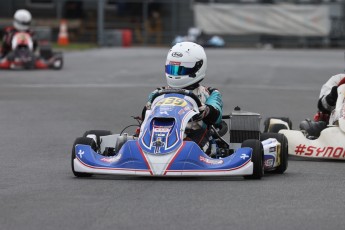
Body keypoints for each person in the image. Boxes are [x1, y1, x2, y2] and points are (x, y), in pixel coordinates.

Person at [143, 42, 223, 151]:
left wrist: (206, 111)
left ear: (198, 67)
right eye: (173, 69)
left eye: (182, 70)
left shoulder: (210, 93)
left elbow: (216, 118)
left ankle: (187, 155)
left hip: (193, 136)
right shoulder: (157, 93)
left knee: (201, 134)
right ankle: (141, 149)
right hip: (161, 132)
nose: (175, 74)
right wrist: (147, 109)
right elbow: (145, 118)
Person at [300, 73, 345, 138]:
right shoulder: (338, 79)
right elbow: (322, 106)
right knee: (309, 129)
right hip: (333, 126)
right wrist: (332, 97)